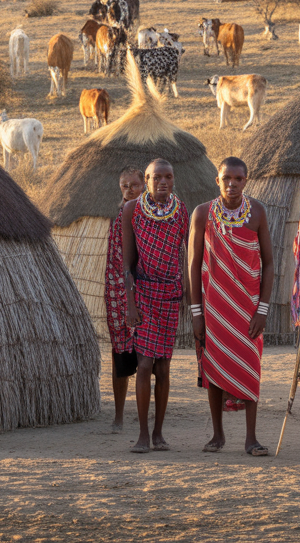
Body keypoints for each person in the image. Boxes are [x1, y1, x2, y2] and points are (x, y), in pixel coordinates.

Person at [188, 157, 275, 456]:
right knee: (214, 366)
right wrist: (196, 314)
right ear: (218, 180)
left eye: (238, 179)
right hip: (214, 306)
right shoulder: (202, 213)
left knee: (250, 366)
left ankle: (251, 438)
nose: (232, 184)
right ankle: (217, 434)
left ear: (246, 180)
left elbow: (269, 263)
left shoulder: (258, 212)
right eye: (226, 178)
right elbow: (193, 265)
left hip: (248, 308)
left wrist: (263, 309)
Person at [121, 158, 189, 453]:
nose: (163, 182)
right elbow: (127, 264)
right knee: (144, 365)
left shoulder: (181, 211)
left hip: (170, 295)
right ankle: (142, 435)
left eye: (168, 177)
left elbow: (188, 254)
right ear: (146, 180)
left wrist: (188, 295)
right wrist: (130, 304)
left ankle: (159, 433)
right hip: (144, 294)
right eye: (157, 177)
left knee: (163, 367)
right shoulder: (132, 210)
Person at [105, 167, 146, 433]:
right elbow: (116, 261)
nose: (129, 190)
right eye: (124, 186)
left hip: (146, 291)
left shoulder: (151, 216)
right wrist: (123, 295)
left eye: (134, 185)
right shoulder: (119, 216)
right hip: (118, 292)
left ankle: (145, 416)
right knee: (120, 354)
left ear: (144, 185)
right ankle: (118, 416)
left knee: (147, 356)